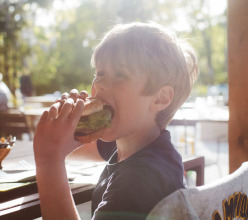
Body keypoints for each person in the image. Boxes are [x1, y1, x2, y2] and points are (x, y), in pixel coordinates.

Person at [33, 22, 199, 220]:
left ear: (160, 98)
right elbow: (75, 146)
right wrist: (69, 127)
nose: (99, 84)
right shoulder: (135, 146)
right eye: (100, 73)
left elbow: (55, 153)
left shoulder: (139, 180)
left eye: (120, 74)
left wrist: (48, 161)